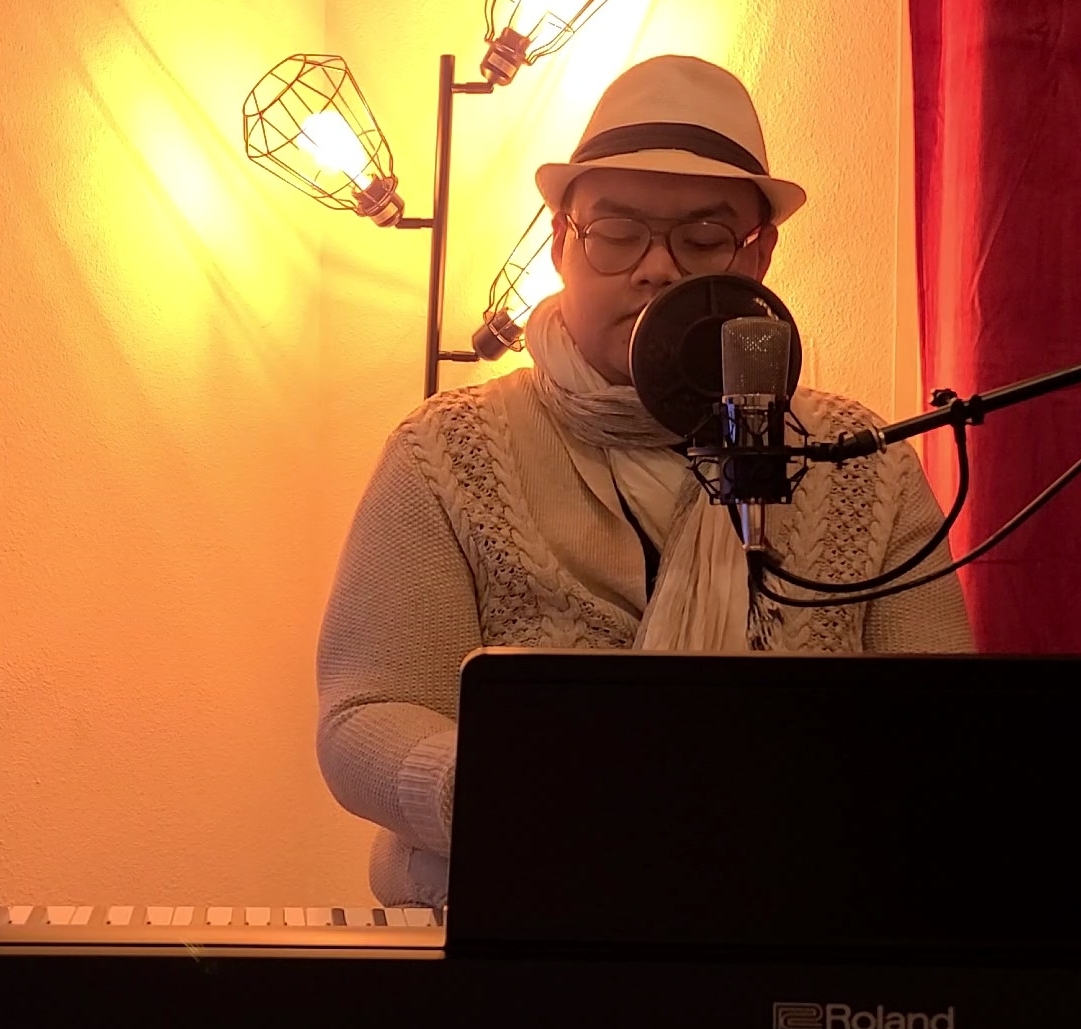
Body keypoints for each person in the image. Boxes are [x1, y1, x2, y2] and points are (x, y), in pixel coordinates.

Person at [316, 56, 973, 909]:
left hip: (795, 926)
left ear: (759, 253)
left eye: (701, 238)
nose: (656, 269)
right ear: (559, 243)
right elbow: (368, 713)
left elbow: (942, 728)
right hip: (511, 926)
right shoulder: (441, 451)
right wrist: (551, 803)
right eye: (618, 232)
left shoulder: (862, 459)